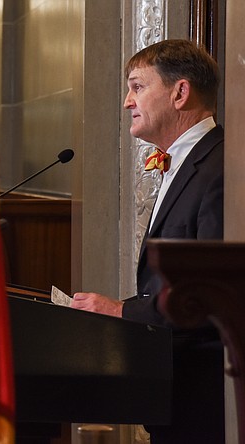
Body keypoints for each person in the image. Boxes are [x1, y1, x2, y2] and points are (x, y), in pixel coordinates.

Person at [71, 40, 223, 443]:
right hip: (174, 396)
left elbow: (212, 294)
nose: (127, 101)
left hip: (207, 405)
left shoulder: (221, 168)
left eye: (137, 86)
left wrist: (122, 311)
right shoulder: (186, 162)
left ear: (180, 92)